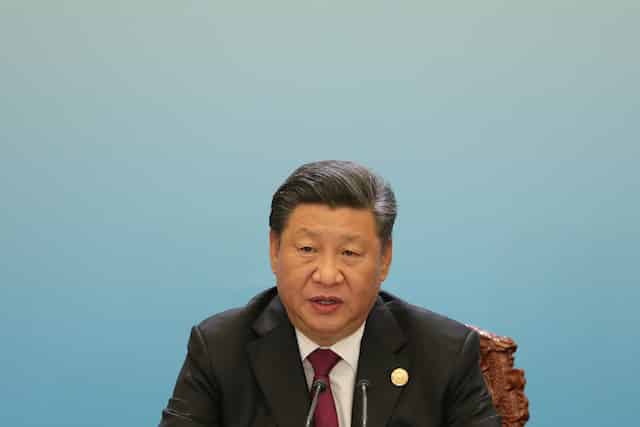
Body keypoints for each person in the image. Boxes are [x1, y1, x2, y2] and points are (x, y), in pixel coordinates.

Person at [158, 160, 501, 427]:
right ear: (275, 250)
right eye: (307, 249)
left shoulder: (443, 353)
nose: (327, 275)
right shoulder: (220, 349)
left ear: (384, 259)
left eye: (349, 253)